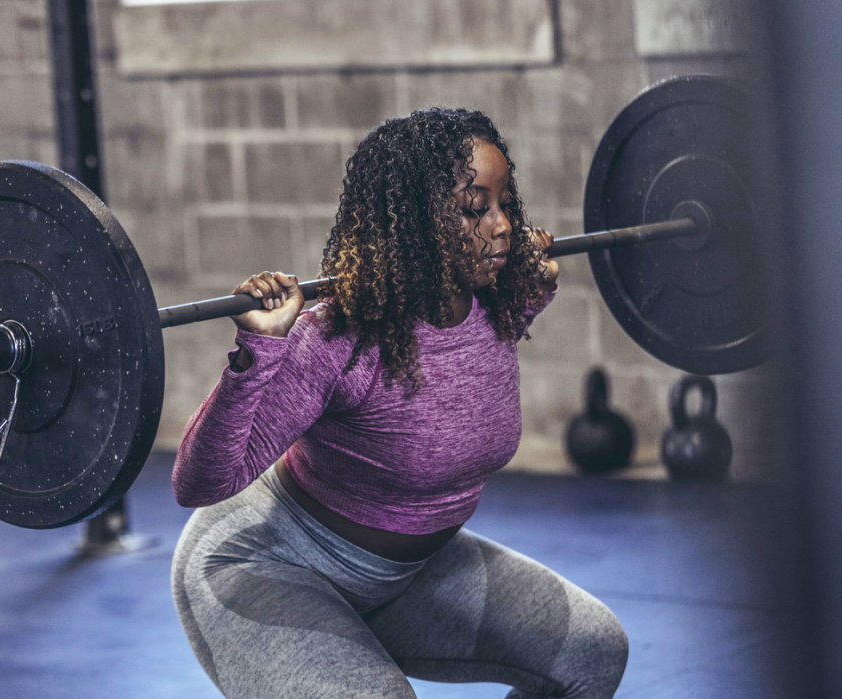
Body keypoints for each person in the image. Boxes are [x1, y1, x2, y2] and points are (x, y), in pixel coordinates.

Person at [170, 108, 628, 699]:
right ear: (415, 222)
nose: (503, 225)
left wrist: (531, 286)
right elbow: (198, 482)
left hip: (407, 578)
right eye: (474, 209)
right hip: (265, 564)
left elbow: (461, 362)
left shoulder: (494, 308)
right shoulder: (337, 338)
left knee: (591, 652)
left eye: (505, 204)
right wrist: (258, 349)